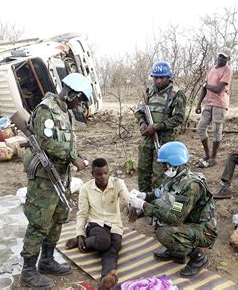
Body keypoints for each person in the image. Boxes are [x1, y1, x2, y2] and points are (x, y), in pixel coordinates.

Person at [20, 73, 92, 289]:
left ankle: (47, 260)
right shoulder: (46, 110)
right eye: (79, 99)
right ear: (72, 94)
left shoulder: (64, 111)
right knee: (39, 223)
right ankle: (28, 271)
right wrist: (73, 158)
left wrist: (74, 157)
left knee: (58, 217)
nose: (79, 104)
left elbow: (67, 143)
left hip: (61, 176)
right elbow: (45, 143)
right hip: (44, 179)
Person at [128, 142, 217, 278]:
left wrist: (143, 205)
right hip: (188, 221)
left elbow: (175, 218)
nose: (162, 167)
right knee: (159, 214)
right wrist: (144, 195)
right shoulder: (175, 177)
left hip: (204, 231)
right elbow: (159, 194)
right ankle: (178, 253)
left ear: (174, 162)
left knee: (164, 232)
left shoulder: (191, 186)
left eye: (165, 164)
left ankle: (198, 258)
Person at [65, 158, 129, 288]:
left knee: (113, 249)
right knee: (104, 241)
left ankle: (106, 278)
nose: (103, 177)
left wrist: (132, 205)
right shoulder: (85, 188)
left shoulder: (118, 183)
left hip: (115, 226)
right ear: (92, 174)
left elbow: (127, 198)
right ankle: (82, 241)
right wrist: (80, 233)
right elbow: (82, 214)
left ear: (109, 172)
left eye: (106, 173)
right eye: (99, 174)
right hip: (95, 225)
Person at [136, 61, 187, 192]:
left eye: (161, 78)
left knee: (160, 174)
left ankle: (158, 203)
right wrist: (142, 123)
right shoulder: (149, 91)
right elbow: (141, 111)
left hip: (165, 140)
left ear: (169, 77)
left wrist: (157, 127)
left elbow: (179, 118)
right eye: (155, 78)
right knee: (143, 170)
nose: (158, 81)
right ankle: (143, 199)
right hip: (148, 137)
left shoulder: (177, 94)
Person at [195, 47, 233, 168]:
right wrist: (198, 103)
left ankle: (213, 157)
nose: (221, 59)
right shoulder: (211, 69)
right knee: (201, 128)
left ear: (228, 59)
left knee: (217, 130)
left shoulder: (227, 70)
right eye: (220, 56)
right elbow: (204, 88)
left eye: (224, 57)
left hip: (220, 104)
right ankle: (207, 154)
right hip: (209, 103)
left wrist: (206, 85)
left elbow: (218, 89)